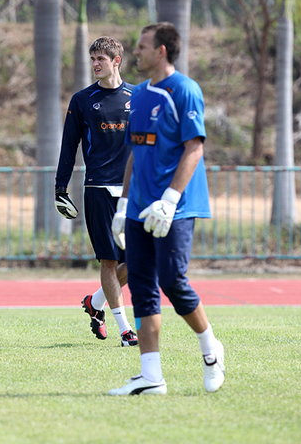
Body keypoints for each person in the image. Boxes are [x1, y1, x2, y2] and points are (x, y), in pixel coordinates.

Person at [109, 22, 225, 394]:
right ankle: (151, 377)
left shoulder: (186, 90)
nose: (136, 52)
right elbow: (135, 152)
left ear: (161, 51)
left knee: (172, 280)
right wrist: (123, 204)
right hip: (140, 207)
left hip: (177, 206)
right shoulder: (139, 95)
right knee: (141, 285)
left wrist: (171, 198)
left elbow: (195, 148)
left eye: (142, 46)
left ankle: (210, 348)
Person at [55, 36, 138, 347]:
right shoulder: (82, 100)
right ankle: (125, 329)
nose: (95, 64)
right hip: (98, 189)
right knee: (107, 259)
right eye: (92, 59)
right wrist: (60, 186)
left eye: (100, 59)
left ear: (116, 61)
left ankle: (96, 302)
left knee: (139, 259)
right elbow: (69, 146)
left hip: (132, 191)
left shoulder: (137, 96)